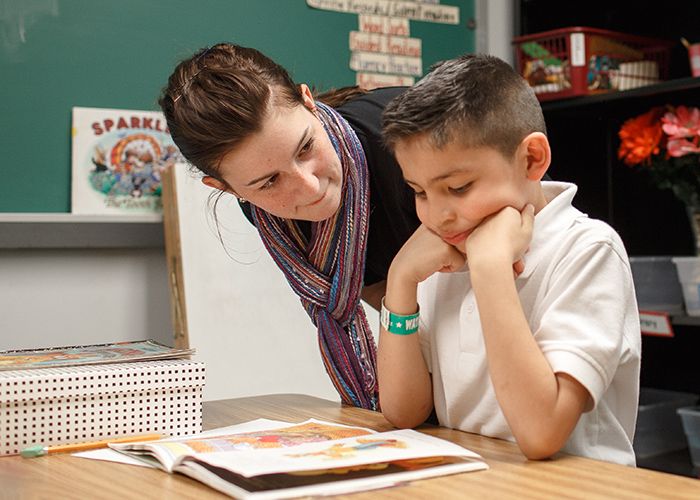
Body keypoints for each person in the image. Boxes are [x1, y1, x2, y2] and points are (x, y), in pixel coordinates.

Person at [378, 54, 641, 466]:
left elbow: (541, 434)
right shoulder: (448, 249)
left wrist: (489, 270)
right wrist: (401, 280)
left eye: (459, 187)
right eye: (420, 192)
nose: (438, 216)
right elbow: (402, 412)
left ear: (532, 159)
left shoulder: (588, 249)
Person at [158, 43, 419, 411]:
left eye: (305, 148)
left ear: (308, 101)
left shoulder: (408, 138)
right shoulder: (269, 217)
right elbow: (398, 306)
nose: (309, 187)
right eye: (268, 182)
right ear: (228, 190)